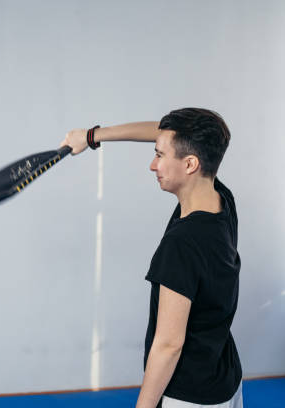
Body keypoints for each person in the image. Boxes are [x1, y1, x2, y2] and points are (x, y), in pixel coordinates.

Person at [61, 109, 242, 408]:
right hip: (225, 382)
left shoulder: (182, 244)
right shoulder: (221, 199)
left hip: (189, 398)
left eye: (159, 155)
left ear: (190, 164)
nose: (152, 164)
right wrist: (91, 137)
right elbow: (167, 134)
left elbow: (169, 345)